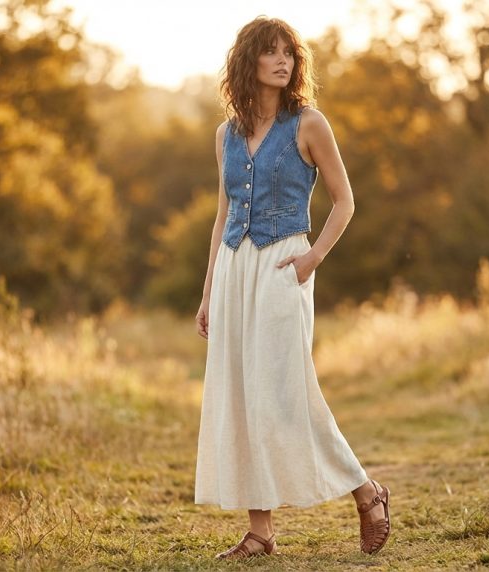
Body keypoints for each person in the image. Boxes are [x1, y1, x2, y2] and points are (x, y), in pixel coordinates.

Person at [193, 15, 392, 559]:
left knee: (285, 393)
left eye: (289, 52)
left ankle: (366, 491)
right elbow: (223, 214)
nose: (283, 60)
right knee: (244, 394)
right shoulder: (225, 135)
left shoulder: (309, 124)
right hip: (236, 269)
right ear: (248, 61)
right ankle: (261, 532)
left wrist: (312, 259)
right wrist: (209, 292)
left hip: (285, 263)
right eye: (271, 51)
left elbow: (345, 201)